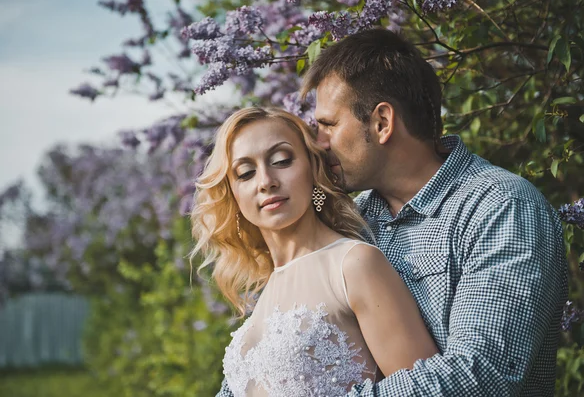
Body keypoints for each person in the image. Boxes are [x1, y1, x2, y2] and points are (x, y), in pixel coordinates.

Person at [295, 28, 567, 396]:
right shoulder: (352, 220)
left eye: (327, 124)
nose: (318, 142)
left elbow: (481, 376)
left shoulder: (501, 208)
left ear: (381, 123)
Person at [191, 107, 439, 396]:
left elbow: (428, 389)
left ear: (313, 167)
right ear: (233, 194)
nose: (266, 181)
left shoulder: (354, 265)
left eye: (282, 160)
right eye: (245, 173)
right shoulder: (265, 293)